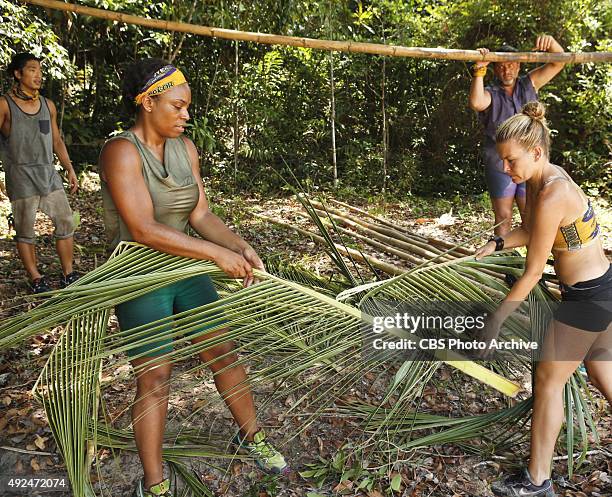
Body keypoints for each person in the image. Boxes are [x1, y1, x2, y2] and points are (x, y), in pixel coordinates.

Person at [99, 59, 288, 497]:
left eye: (187, 107)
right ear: (148, 102)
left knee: (223, 352)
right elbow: (143, 228)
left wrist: (238, 246)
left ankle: (253, 437)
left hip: (184, 268)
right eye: (178, 106)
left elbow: (200, 215)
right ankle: (154, 481)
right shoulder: (121, 151)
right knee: (154, 377)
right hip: (139, 274)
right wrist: (216, 255)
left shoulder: (186, 150)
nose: (186, 115)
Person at [474, 101, 611, 497]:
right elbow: (533, 229)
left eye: (510, 160)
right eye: (502, 161)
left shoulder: (553, 193)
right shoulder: (542, 180)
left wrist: (496, 321)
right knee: (604, 375)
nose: (505, 169)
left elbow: (533, 271)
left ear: (535, 152)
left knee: (548, 380)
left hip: (588, 297)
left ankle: (537, 482)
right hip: (601, 288)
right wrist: (497, 241)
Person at [468, 36, 566, 238]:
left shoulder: (529, 83)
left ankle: (531, 264)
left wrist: (551, 43)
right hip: (500, 164)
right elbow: (477, 103)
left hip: (530, 163)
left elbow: (559, 61)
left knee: (530, 215)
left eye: (511, 65)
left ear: (519, 65)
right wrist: (479, 70)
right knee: (503, 217)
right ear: (495, 69)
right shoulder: (491, 92)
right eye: (501, 66)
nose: (507, 70)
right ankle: (503, 264)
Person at [0, 52, 79, 293]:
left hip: (48, 173)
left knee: (65, 220)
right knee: (25, 228)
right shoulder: (4, 104)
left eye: (40, 71)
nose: (38, 75)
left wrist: (69, 168)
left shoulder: (48, 105)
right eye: (32, 69)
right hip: (20, 175)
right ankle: (36, 278)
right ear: (18, 74)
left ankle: (68, 273)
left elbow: (56, 141)